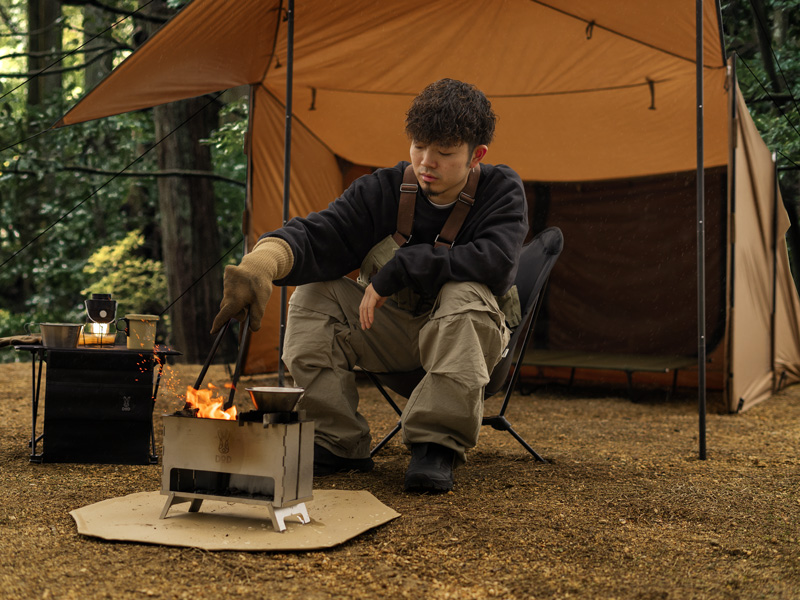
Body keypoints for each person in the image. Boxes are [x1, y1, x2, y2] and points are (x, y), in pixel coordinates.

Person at [212, 79, 528, 493]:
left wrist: (401, 268)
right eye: (418, 146)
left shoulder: (500, 191)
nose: (426, 162)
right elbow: (323, 233)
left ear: (476, 156)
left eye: (444, 153)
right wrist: (262, 262)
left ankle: (436, 444)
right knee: (315, 294)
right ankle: (335, 438)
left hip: (476, 347)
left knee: (464, 293)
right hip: (397, 337)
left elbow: (498, 263)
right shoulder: (386, 189)